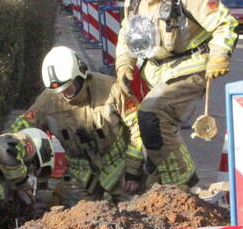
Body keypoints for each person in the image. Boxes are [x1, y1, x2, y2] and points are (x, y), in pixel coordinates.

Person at [114, 0, 238, 187]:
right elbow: (127, 33)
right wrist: (123, 64)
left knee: (152, 114)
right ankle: (160, 187)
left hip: (192, 63)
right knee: (150, 130)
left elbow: (226, 24)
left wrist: (220, 55)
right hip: (156, 68)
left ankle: (184, 186)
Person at [10, 46, 144, 205]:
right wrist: (9, 143)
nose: (63, 94)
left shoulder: (111, 89)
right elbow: (23, 127)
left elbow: (138, 126)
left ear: (80, 76)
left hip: (121, 170)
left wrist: (133, 171)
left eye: (68, 87)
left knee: (136, 212)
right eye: (59, 91)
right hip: (80, 176)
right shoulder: (47, 101)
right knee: (72, 219)